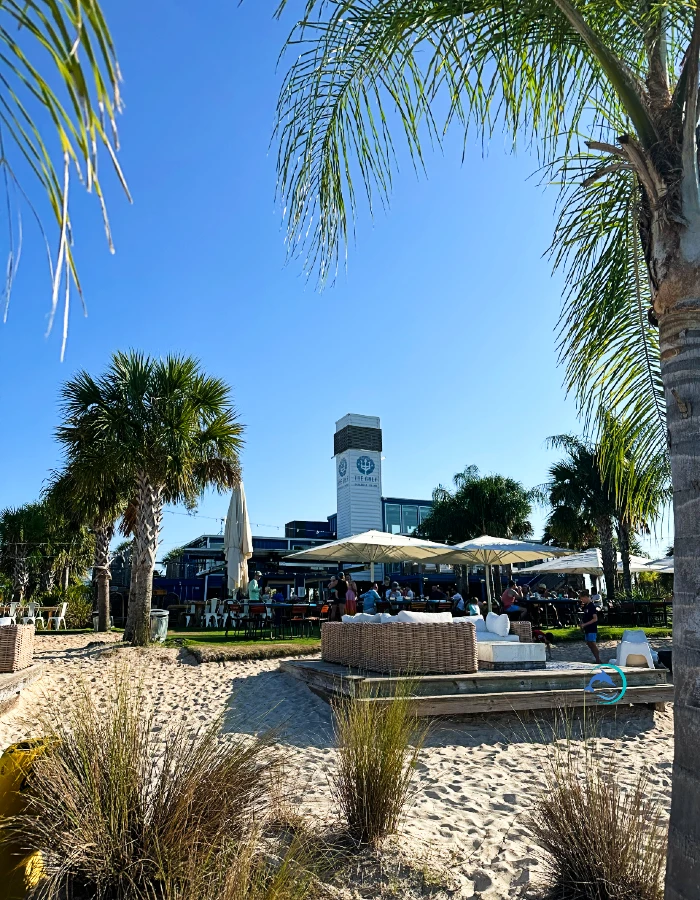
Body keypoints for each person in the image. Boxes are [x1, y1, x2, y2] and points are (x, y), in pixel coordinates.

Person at [578, 589, 601, 663]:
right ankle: (596, 658)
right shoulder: (586, 606)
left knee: (592, 643)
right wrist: (582, 623)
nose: (582, 601)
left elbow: (595, 619)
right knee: (589, 643)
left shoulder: (592, 606)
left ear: (585, 597)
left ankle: (598, 659)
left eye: (582, 599)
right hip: (587, 627)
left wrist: (585, 624)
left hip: (591, 627)